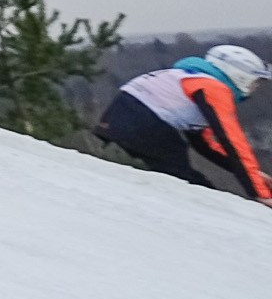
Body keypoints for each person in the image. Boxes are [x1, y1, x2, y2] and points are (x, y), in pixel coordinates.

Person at [93, 46, 271, 203]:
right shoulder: (214, 88)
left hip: (121, 117)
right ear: (240, 76)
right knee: (191, 186)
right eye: (255, 81)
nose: (256, 87)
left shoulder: (189, 78)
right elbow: (232, 140)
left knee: (178, 177)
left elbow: (205, 143)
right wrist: (260, 193)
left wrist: (253, 175)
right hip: (145, 122)